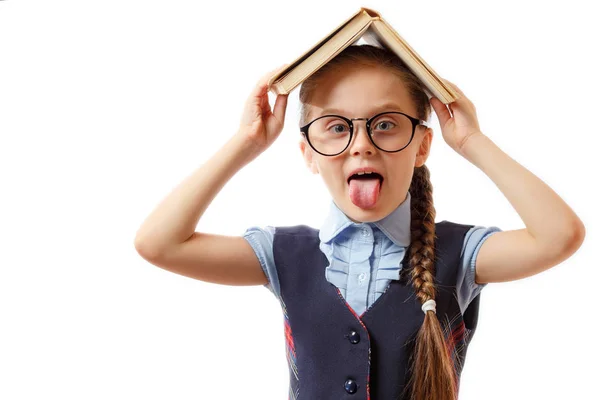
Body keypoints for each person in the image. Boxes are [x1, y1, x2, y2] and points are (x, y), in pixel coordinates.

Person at [134, 44, 585, 400]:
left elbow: (559, 235)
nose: (362, 145)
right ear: (307, 152)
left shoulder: (461, 253)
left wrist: (470, 140)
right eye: (336, 126)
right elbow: (159, 243)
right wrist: (247, 142)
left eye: (386, 124)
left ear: (422, 146)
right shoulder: (283, 254)